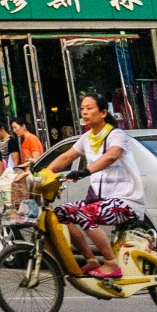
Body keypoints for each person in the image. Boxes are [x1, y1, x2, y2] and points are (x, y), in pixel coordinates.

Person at [48, 92, 138, 280]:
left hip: (125, 200)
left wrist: (86, 171)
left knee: (84, 213)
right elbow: (66, 157)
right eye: (82, 109)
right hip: (100, 200)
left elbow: (111, 155)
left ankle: (111, 264)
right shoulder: (87, 137)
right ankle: (90, 260)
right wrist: (41, 175)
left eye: (90, 108)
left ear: (103, 112)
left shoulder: (116, 135)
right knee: (61, 213)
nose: (85, 112)